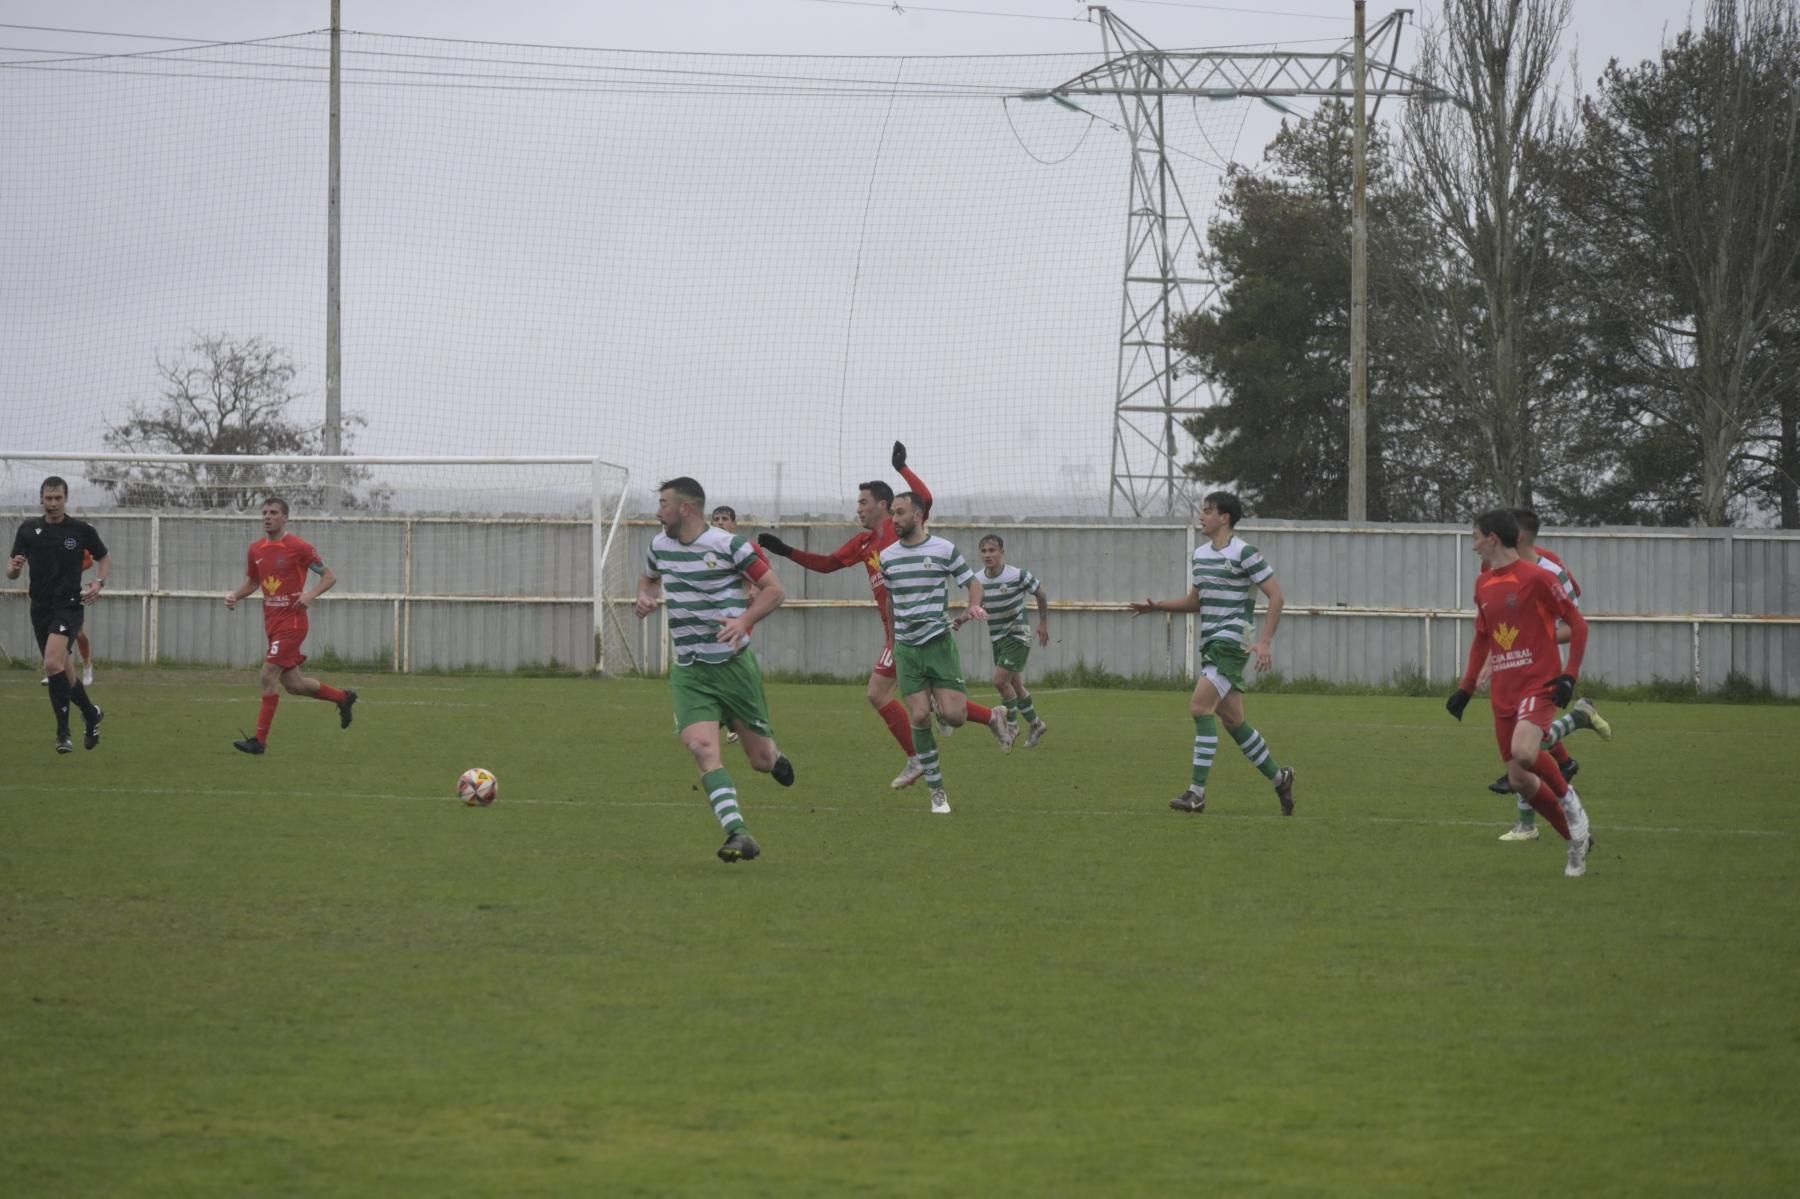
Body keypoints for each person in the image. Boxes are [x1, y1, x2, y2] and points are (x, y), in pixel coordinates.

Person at [758, 441, 1015, 790]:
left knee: (880, 694)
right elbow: (828, 564)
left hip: (914, 632)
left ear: (883, 505)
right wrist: (786, 551)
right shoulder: (863, 544)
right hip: (895, 632)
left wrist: (902, 469)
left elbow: (924, 497)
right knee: (937, 703)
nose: (858, 509)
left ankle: (918, 757)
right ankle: (990, 717)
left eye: (863, 502)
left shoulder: (903, 531)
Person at [638, 476, 794, 862]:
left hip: (732, 667)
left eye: (663, 504)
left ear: (685, 509)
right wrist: (645, 597)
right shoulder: (659, 545)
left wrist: (742, 621)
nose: (657, 511)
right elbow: (649, 578)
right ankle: (739, 833)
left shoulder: (729, 545)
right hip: (690, 670)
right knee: (701, 747)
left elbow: (775, 590)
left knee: (759, 761)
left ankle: (774, 757)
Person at [1446, 509, 1595, 877]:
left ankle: (1570, 801)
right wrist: (1465, 689)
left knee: (1524, 753)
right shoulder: (1483, 584)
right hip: (1504, 690)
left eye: (1476, 536)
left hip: (1539, 682)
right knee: (1519, 779)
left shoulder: (1537, 577)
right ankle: (1576, 842)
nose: (1473, 544)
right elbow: (1483, 637)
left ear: (1492, 539)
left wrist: (1568, 676)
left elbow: (1578, 623)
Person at [1129, 491, 1295, 816]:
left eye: (1208, 511)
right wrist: (1158, 606)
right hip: (1212, 641)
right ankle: (1280, 778)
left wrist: (1264, 642)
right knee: (1233, 721)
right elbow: (1196, 601)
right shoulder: (1201, 555)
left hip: (1233, 641)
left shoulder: (1245, 552)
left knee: (1199, 706)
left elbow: (1276, 596)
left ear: (1225, 517)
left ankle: (1196, 793)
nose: (1201, 516)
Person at [1482, 508, 1614, 842]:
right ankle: (1530, 818)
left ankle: (1530, 818)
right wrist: (1490, 659)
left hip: (1542, 668)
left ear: (1519, 535)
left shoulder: (1551, 569)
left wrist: (1538, 641)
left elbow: (1574, 623)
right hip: (1512, 665)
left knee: (1523, 747)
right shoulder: (1492, 566)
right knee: (1520, 743)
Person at [877, 491, 987, 814]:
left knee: (956, 717)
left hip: (939, 643)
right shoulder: (888, 556)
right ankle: (937, 792)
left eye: (900, 513)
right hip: (908, 648)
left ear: (919, 515)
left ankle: (944, 707)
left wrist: (974, 606)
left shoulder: (944, 549)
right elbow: (890, 600)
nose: (894, 520)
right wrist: (892, 641)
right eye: (892, 514)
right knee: (919, 715)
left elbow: (973, 583)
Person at [222, 497, 358, 754]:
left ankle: (259, 742)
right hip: (272, 623)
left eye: (273, 512)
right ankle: (343, 697)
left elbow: (329, 577)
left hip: (293, 623)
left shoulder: (299, 547)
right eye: (264, 512)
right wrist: (234, 596)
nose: (267, 516)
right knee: (294, 685)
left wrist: (309, 595)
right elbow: (253, 583)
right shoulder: (256, 550)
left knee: (267, 675)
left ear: (285, 518)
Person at [8, 476, 108, 753]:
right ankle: (91, 714)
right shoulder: (28, 530)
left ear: (66, 499)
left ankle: (63, 733)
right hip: (39, 607)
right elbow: (11, 571)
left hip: (69, 606)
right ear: (41, 499)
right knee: (65, 672)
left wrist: (98, 583)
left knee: (52, 663)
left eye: (58, 498)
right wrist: (15, 567)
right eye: (48, 498)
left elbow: (103, 557)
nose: (53, 503)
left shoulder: (80, 530)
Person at [953, 533, 1050, 748]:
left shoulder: (1018, 575)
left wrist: (1043, 623)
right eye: (984, 551)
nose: (988, 555)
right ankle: (1036, 723)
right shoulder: (978, 580)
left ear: (1002, 553)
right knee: (1014, 683)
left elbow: (1041, 593)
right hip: (998, 637)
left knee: (999, 681)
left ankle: (1012, 726)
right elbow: (974, 606)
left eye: (992, 550)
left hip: (1017, 634)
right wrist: (960, 620)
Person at [39, 549, 95, 687]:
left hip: (71, 593)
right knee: (52, 630)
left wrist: (73, 568)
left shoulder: (75, 538)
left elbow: (89, 560)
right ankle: (53, 670)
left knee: (77, 633)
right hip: (51, 593)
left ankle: (87, 666)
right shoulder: (48, 539)